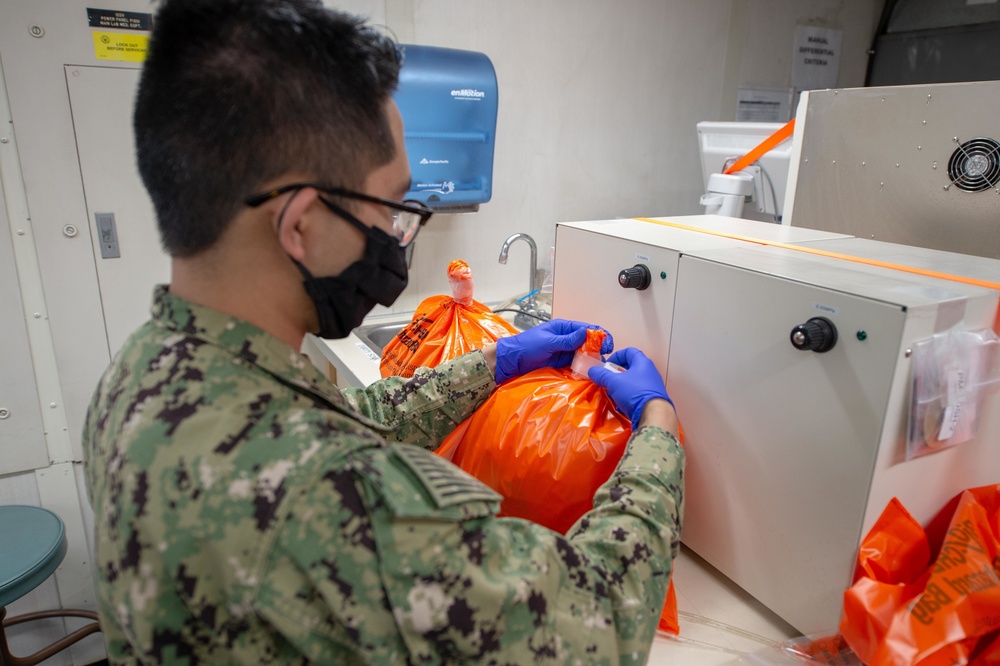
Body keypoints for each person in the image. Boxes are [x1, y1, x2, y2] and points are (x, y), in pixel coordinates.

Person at [81, 0, 684, 663]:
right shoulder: (344, 504)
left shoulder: (144, 371)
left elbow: (342, 415)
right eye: (392, 209)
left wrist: (494, 362)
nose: (400, 238)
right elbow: (596, 619)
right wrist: (656, 431)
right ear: (301, 223)